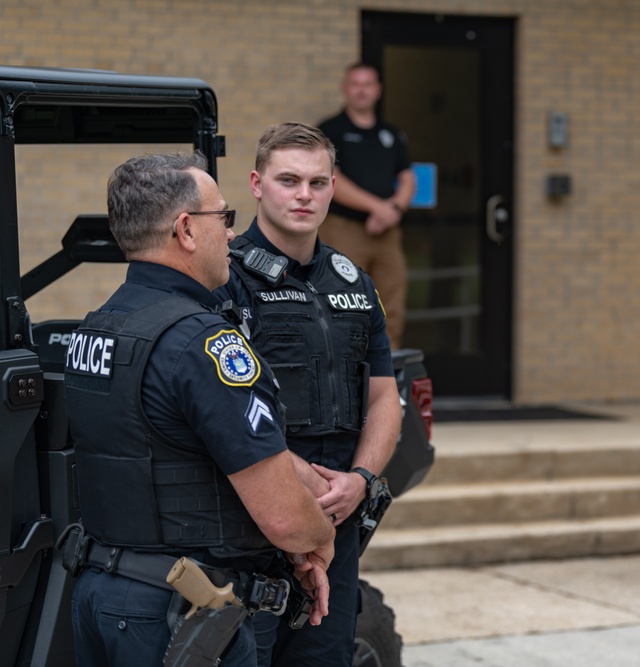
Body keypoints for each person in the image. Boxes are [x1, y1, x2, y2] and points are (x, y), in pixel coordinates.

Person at [63, 152, 336, 667]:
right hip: (180, 613)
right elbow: (284, 518)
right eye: (224, 218)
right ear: (187, 230)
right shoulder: (202, 343)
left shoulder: (97, 328)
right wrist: (321, 539)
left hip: (99, 593)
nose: (232, 235)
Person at [218, 122, 402, 666]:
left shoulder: (354, 283)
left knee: (325, 657)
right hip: (251, 523)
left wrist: (360, 479)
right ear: (256, 184)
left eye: (318, 183)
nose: (304, 195)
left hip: (337, 519)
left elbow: (384, 398)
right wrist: (304, 482)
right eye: (289, 180)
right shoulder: (223, 279)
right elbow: (220, 412)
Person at [317, 62, 415, 349]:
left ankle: (389, 374)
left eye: (368, 84)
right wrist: (378, 208)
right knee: (343, 300)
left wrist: (393, 210)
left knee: (392, 303)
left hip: (387, 233)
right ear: (345, 89)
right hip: (344, 229)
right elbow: (330, 177)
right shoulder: (330, 130)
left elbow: (408, 178)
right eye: (356, 84)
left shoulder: (391, 134)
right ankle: (346, 369)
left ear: (378, 90)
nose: (362, 90)